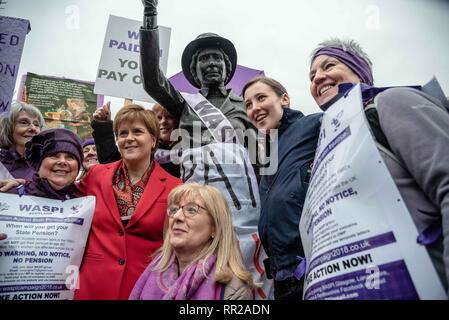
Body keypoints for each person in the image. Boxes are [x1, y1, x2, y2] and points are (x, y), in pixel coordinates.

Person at [138, 0, 271, 298]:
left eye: (217, 58)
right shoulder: (185, 104)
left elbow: (262, 158)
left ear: (226, 68)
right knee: (196, 277)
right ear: (194, 72)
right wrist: (150, 15)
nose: (211, 63)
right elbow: (151, 79)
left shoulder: (246, 104)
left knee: (240, 283)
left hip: (241, 208)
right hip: (195, 202)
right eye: (204, 59)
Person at [309, 38, 449, 291]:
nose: (318, 77)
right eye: (312, 74)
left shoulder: (391, 102)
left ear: (359, 70)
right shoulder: (327, 149)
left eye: (328, 65)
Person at [74, 104, 182, 300]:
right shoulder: (97, 175)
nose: (129, 138)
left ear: (153, 140)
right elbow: (62, 202)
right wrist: (20, 187)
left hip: (144, 288)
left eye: (137, 132)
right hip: (92, 286)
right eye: (122, 133)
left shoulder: (175, 187)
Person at [242, 77, 322, 300]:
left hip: (313, 271)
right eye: (248, 104)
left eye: (261, 98)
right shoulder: (267, 156)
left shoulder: (313, 124)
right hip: (282, 278)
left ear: (284, 99)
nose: (255, 108)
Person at [129, 183, 255, 300]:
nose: (177, 217)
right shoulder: (152, 272)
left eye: (191, 210)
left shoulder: (234, 291)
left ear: (215, 227)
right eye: (173, 209)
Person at [92, 102, 180, 178]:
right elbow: (111, 160)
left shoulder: (189, 152)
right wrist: (103, 126)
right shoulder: (98, 175)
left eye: (169, 117)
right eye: (159, 118)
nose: (163, 122)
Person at [0, 128, 83, 200]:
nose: (62, 161)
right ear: (39, 164)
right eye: (54, 156)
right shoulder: (10, 196)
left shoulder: (85, 198)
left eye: (70, 157)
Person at [0, 102, 45, 180]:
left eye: (36, 124)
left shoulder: (46, 165)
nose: (33, 128)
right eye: (24, 122)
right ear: (8, 128)